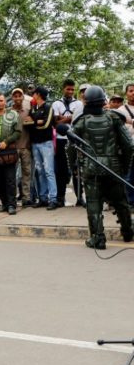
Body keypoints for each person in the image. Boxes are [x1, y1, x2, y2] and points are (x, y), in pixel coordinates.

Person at [70, 86, 134, 249]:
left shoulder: (81, 121)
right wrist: (124, 166)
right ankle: (128, 232)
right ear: (103, 100)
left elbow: (70, 147)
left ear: (86, 101)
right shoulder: (114, 118)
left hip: (91, 168)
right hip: (114, 166)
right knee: (121, 201)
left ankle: (98, 238)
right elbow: (129, 145)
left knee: (93, 203)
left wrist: (74, 167)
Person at [52, 79, 83, 206]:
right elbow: (55, 123)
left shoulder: (79, 104)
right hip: (60, 140)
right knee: (61, 170)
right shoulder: (56, 104)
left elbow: (78, 121)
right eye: (68, 89)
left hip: (75, 139)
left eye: (72, 89)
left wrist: (63, 118)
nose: (70, 91)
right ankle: (60, 198)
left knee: (77, 169)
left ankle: (80, 198)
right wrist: (71, 117)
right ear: (63, 89)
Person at [27, 86, 58, 209]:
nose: (32, 95)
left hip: (46, 143)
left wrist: (33, 122)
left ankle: (53, 199)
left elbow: (46, 124)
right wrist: (36, 121)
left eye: (34, 93)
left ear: (38, 94)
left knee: (49, 171)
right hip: (35, 143)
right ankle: (43, 197)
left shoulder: (48, 107)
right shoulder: (33, 109)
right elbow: (27, 123)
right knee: (40, 172)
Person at [11, 88, 33, 206]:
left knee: (26, 173)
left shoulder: (28, 111)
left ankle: (26, 197)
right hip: (13, 147)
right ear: (12, 98)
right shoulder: (8, 112)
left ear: (23, 97)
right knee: (12, 174)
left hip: (25, 146)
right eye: (15, 96)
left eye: (20, 96)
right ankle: (12, 197)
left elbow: (32, 128)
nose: (18, 98)